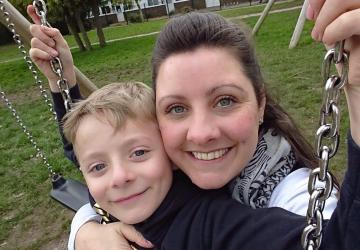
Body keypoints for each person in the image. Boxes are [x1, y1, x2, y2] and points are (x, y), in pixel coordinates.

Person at [26, 0, 360, 248]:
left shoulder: (291, 199)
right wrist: (87, 233)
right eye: (176, 108)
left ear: (260, 104)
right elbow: (84, 150)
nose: (201, 133)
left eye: (225, 100)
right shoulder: (161, 171)